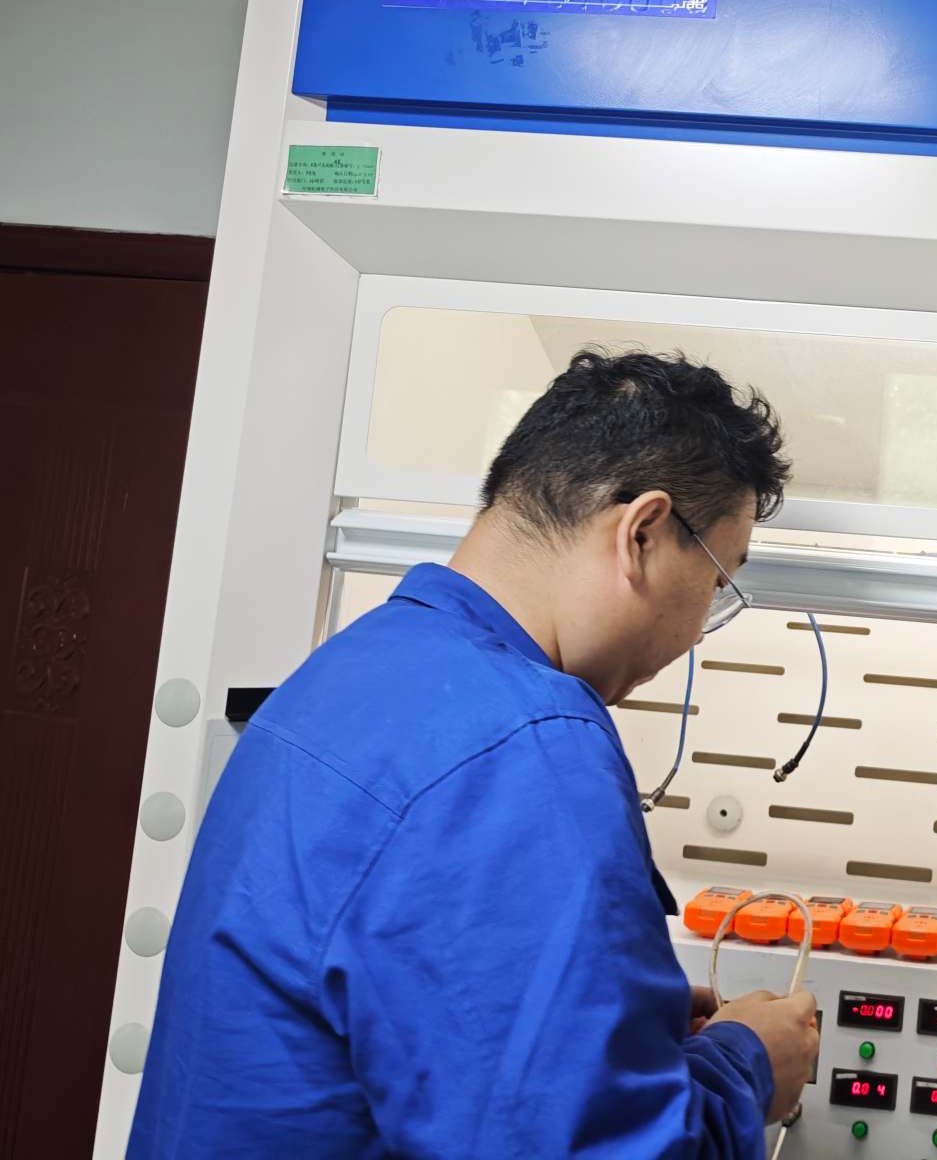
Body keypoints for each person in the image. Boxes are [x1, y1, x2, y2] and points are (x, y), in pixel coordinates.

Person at [131, 351, 819, 1158]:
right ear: (642, 533)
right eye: (717, 583)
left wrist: (620, 1027)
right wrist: (746, 1068)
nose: (697, 629)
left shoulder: (343, 675)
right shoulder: (527, 748)